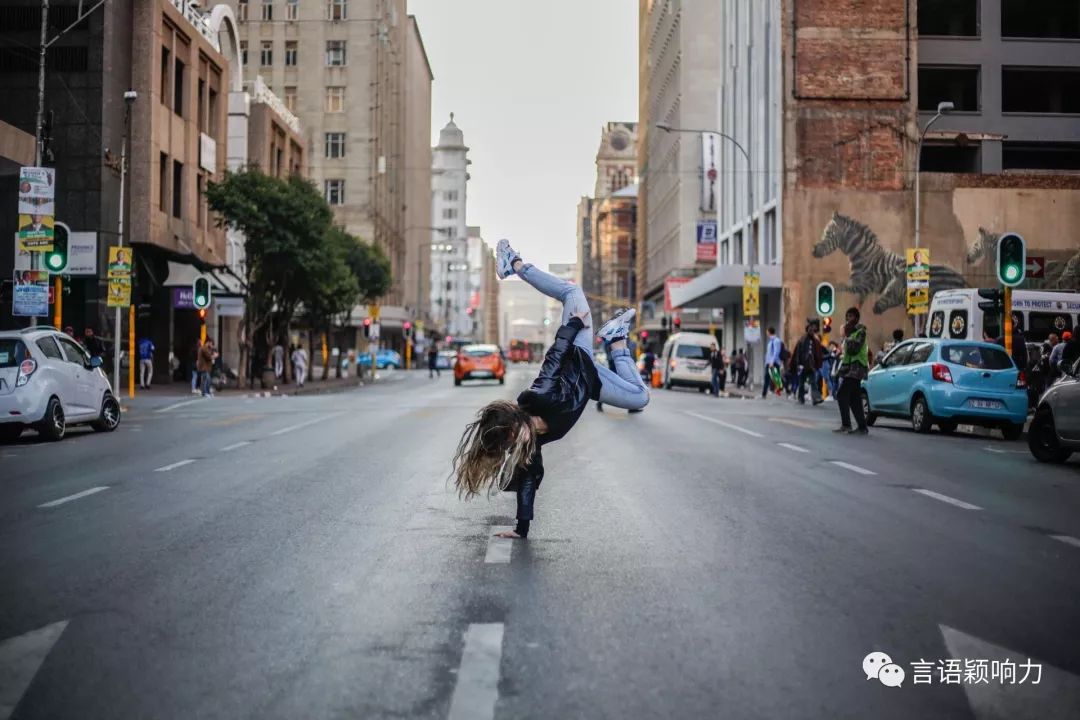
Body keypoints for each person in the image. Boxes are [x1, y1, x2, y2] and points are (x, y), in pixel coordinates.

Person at [452, 240, 649, 540]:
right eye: (515, 443)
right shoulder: (530, 448)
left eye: (516, 436)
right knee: (641, 396)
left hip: (577, 354)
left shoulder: (537, 397)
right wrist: (521, 530)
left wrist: (572, 326)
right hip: (592, 382)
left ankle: (514, 264)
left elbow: (555, 357)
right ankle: (617, 337)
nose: (523, 442)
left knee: (573, 292)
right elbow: (528, 484)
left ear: (516, 424)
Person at [834, 307, 869, 435]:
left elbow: (854, 349)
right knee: (854, 399)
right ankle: (862, 427)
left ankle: (846, 425)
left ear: (856, 318)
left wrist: (847, 337)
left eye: (851, 316)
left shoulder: (861, 331)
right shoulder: (851, 333)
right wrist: (839, 373)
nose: (848, 319)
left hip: (857, 368)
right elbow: (847, 356)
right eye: (847, 316)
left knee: (842, 395)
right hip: (850, 369)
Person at [793, 323, 824, 405]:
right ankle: (801, 398)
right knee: (801, 383)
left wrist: (816, 363)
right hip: (803, 365)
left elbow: (816, 353)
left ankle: (816, 398)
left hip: (811, 366)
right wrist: (798, 364)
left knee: (813, 382)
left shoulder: (815, 341)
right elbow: (798, 353)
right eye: (810, 330)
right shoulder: (802, 340)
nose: (812, 331)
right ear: (807, 330)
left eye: (813, 330)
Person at [762, 327, 783, 398]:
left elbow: (776, 352)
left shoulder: (776, 341)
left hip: (773, 363)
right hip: (769, 363)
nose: (766, 333)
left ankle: (784, 389)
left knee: (776, 377)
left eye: (767, 331)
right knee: (768, 377)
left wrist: (772, 362)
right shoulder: (770, 342)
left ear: (769, 332)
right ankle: (764, 394)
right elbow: (769, 353)